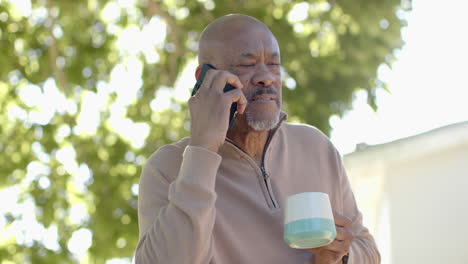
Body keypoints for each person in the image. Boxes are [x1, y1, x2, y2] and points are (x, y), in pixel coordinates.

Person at [135, 14, 380, 264]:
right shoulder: (167, 167)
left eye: (274, 64)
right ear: (204, 77)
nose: (267, 77)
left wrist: (341, 256)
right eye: (247, 64)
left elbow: (369, 252)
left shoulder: (316, 146)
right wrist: (202, 149)